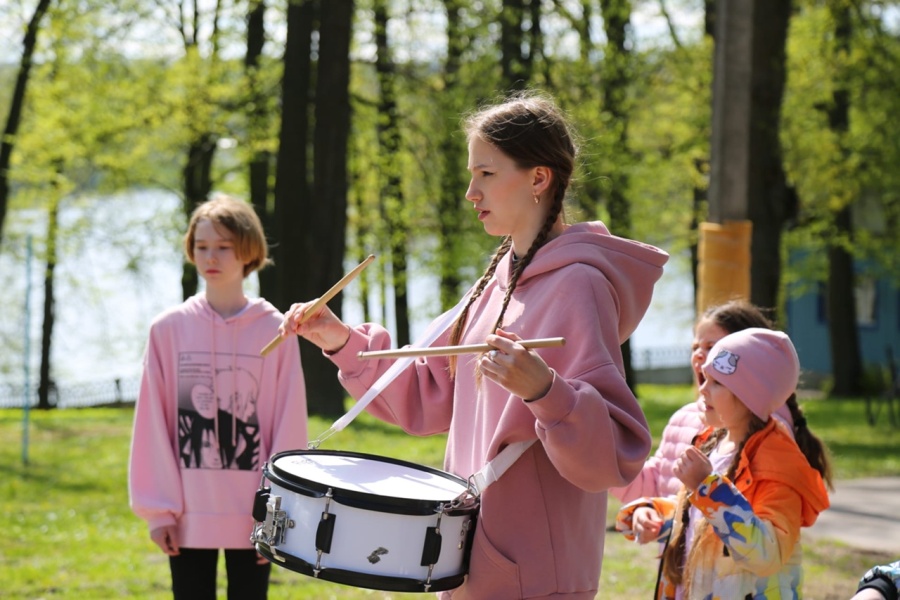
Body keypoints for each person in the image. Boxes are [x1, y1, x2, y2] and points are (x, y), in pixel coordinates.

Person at [279, 91, 669, 599]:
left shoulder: (579, 285)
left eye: (485, 173)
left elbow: (612, 455)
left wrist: (546, 392)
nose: (470, 191)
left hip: (534, 574)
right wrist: (339, 340)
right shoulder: (496, 280)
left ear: (537, 177)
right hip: (468, 559)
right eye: (471, 174)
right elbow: (426, 395)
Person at [128, 194, 308, 600]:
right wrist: (159, 511)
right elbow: (152, 426)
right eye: (202, 246)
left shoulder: (276, 330)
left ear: (248, 250)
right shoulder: (168, 330)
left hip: (254, 514)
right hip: (188, 513)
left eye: (223, 247)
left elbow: (289, 421)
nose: (211, 256)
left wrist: (277, 511)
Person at [616, 328, 832, 599]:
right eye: (705, 378)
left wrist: (708, 488)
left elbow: (767, 553)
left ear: (749, 396)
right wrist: (654, 516)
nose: (702, 388)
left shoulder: (778, 466)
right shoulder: (713, 443)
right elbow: (701, 521)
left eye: (716, 383)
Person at [611, 299, 798, 504]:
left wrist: (705, 486)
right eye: (695, 347)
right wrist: (649, 510)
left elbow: (754, 526)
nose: (699, 355)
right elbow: (656, 485)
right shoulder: (682, 418)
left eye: (712, 347)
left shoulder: (763, 429)